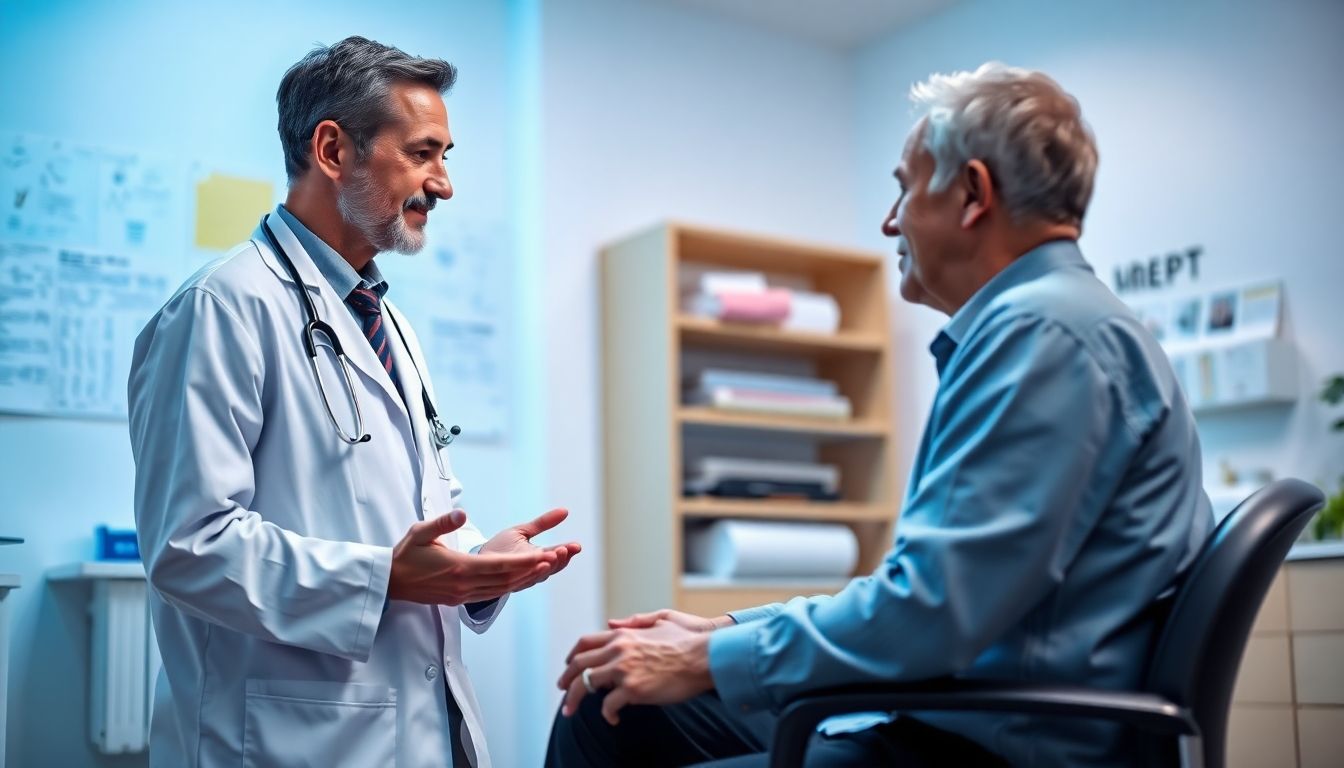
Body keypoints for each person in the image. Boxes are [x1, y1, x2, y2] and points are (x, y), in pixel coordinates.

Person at [546, 62, 1213, 767]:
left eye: (904, 188)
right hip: (955, 717)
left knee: (614, 710)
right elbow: (928, 588)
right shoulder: (1056, 327)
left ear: (971, 193)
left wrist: (711, 654)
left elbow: (928, 611)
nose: (890, 221)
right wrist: (723, 630)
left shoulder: (1044, 335)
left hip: (989, 748)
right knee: (607, 707)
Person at [128, 36, 580, 768]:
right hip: (281, 737)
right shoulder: (221, 308)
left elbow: (398, 514)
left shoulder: (384, 318)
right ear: (334, 150)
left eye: (447, 155)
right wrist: (386, 577)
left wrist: (476, 563)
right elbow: (188, 547)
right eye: (424, 153)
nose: (444, 184)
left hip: (411, 724)